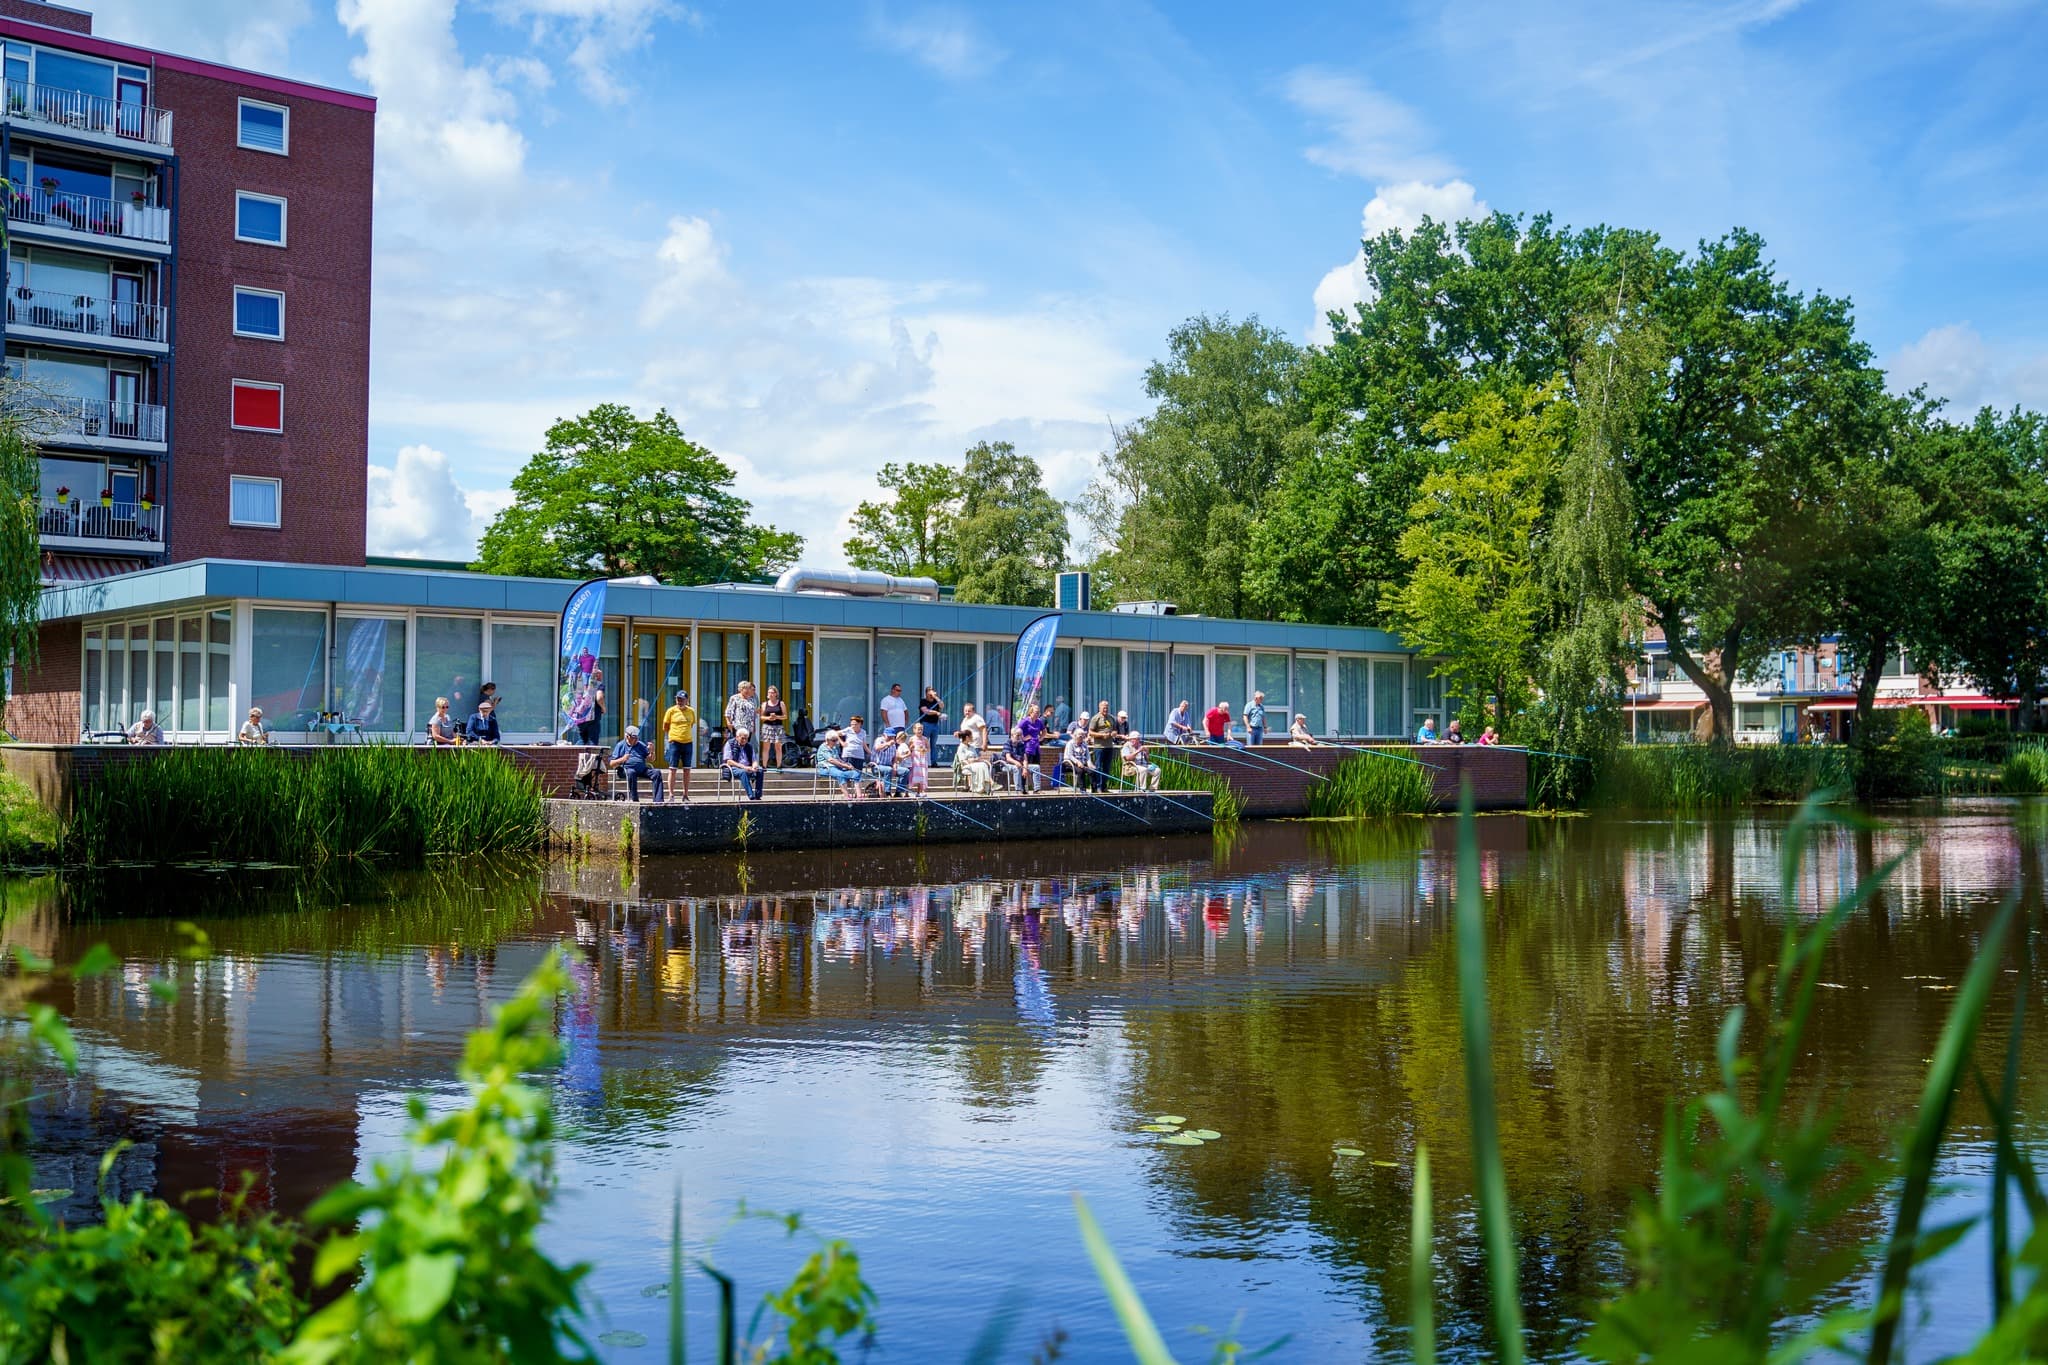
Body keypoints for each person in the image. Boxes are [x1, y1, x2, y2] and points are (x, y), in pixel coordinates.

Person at [607, 725, 663, 802]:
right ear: (627, 736)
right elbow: (611, 763)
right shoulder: (620, 745)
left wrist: (652, 751)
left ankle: (658, 801)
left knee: (656, 773)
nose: (636, 739)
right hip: (626, 770)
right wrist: (622, 759)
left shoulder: (640, 745)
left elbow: (651, 760)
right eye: (634, 737)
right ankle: (635, 799)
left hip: (641, 770)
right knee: (631, 772)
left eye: (637, 737)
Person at [660, 689, 696, 803]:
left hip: (688, 742)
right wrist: (672, 736)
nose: (679, 701)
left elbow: (691, 724)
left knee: (687, 769)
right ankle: (671, 794)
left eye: (682, 699)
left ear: (687, 700)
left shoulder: (691, 711)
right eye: (678, 699)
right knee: (672, 769)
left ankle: (685, 794)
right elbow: (665, 726)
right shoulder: (671, 711)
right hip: (675, 742)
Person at [814, 730, 865, 798]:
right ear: (827, 740)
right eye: (833, 740)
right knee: (840, 774)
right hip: (825, 768)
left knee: (856, 773)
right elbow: (831, 760)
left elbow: (838, 759)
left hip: (836, 768)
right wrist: (844, 766)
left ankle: (859, 796)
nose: (835, 742)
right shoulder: (823, 747)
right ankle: (847, 796)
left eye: (836, 740)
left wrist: (847, 764)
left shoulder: (834, 748)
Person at [721, 726, 764, 800]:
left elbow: (754, 760)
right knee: (743, 772)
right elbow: (728, 761)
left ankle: (758, 795)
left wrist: (754, 766)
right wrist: (744, 767)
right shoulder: (729, 744)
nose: (744, 740)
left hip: (748, 767)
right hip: (733, 768)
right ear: (737, 737)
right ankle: (751, 796)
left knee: (760, 770)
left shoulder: (749, 746)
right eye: (742, 738)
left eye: (746, 738)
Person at [1015, 702, 1047, 791]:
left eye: (1038, 712)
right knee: (1025, 767)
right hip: (1027, 748)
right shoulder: (1025, 721)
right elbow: (1016, 730)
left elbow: (1044, 731)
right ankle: (1023, 788)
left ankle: (1036, 788)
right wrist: (1023, 738)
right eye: (1036, 712)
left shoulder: (1039, 721)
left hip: (1036, 748)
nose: (1037, 714)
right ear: (1031, 712)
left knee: (1036, 767)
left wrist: (1041, 738)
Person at [1088, 701, 1118, 793]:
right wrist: (1101, 735)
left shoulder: (1111, 718)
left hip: (1109, 746)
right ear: (1099, 708)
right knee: (1098, 767)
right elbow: (1090, 732)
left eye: (1107, 707)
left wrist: (1114, 733)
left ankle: (1104, 786)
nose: (1105, 709)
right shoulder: (1095, 718)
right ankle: (1098, 786)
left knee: (1107, 767)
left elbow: (1115, 730)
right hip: (1099, 747)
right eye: (1104, 707)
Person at [955, 728, 994, 795]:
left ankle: (984, 787)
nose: (972, 737)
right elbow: (963, 760)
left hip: (975, 764)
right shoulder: (961, 748)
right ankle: (989, 783)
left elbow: (976, 757)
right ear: (967, 737)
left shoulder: (972, 747)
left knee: (983, 764)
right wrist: (972, 761)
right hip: (966, 766)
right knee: (982, 765)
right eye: (971, 736)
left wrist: (975, 760)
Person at [758, 685, 788, 768]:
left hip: (778, 727)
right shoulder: (764, 704)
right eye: (769, 692)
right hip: (767, 727)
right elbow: (762, 717)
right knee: (766, 747)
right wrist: (769, 718)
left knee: (778, 747)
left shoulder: (781, 703)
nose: (770, 694)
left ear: (776, 694)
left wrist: (777, 717)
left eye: (772, 692)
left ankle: (779, 766)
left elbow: (785, 716)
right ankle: (764, 766)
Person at [725, 680, 758, 748]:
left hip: (749, 727)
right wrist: (728, 722)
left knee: (746, 745)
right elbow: (728, 711)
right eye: (746, 688)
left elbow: (753, 713)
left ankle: (744, 758)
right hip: (738, 725)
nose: (748, 690)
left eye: (748, 688)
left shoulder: (751, 699)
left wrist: (754, 725)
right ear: (741, 689)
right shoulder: (734, 698)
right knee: (737, 744)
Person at [1059, 723, 1091, 790]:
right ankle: (1083, 790)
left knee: (1092, 771)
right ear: (1075, 735)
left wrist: (1089, 763)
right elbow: (1070, 755)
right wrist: (1077, 762)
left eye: (1082, 735)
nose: (1081, 736)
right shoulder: (1070, 743)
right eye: (1079, 735)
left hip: (1082, 763)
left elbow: (1087, 755)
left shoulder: (1084, 744)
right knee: (1080, 771)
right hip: (1069, 763)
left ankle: (1095, 790)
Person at [918, 687, 944, 754]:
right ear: (926, 693)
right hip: (926, 724)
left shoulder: (936, 701)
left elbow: (942, 706)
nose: (931, 694)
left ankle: (934, 762)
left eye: (933, 691)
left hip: (935, 724)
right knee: (924, 742)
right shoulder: (923, 701)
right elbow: (926, 711)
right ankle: (923, 760)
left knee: (934, 744)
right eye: (930, 692)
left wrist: (936, 697)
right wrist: (936, 712)